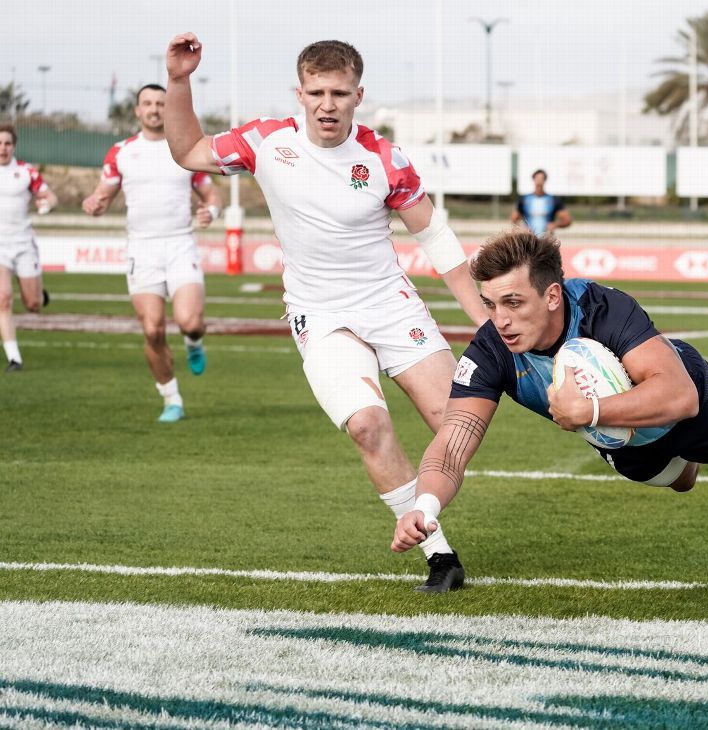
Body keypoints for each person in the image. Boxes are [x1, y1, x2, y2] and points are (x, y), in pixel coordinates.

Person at [162, 33, 488, 590]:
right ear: (300, 92)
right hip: (320, 313)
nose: (327, 104)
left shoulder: (385, 158)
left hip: (390, 304)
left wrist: (484, 321)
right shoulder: (264, 141)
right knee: (367, 425)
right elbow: (188, 151)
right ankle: (438, 553)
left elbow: (436, 239)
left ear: (359, 95)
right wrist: (178, 80)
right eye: (316, 92)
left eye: (339, 92)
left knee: (453, 423)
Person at [390, 229, 708, 584]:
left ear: (552, 295)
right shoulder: (491, 350)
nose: (502, 320)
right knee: (681, 481)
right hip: (627, 441)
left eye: (514, 302)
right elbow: (452, 444)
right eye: (491, 304)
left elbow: (679, 396)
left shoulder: (602, 308)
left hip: (683, 397)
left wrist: (591, 412)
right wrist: (425, 506)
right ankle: (684, 461)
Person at [82, 85, 223, 422]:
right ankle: (171, 398)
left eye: (161, 103)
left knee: (190, 322)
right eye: (147, 103)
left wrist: (211, 213)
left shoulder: (185, 150)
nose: (155, 109)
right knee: (153, 331)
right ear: (137, 110)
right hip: (142, 251)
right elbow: (102, 196)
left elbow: (211, 196)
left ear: (167, 107)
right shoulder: (121, 152)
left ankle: (193, 342)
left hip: (180, 245)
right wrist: (94, 204)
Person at [0, 124, 56, 372]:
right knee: (3, 299)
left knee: (32, 305)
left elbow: (49, 195)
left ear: (14, 146)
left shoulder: (26, 172)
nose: (2, 148)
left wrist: (47, 204)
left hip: (23, 244)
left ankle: (39, 294)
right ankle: (14, 358)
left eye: (7, 144)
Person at [511, 169, 571, 236]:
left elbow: (567, 220)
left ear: (545, 180)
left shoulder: (553, 200)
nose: (539, 180)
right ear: (533, 179)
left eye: (541, 178)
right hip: (529, 240)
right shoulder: (524, 199)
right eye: (537, 178)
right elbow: (514, 220)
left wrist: (555, 224)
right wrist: (522, 228)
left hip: (546, 240)